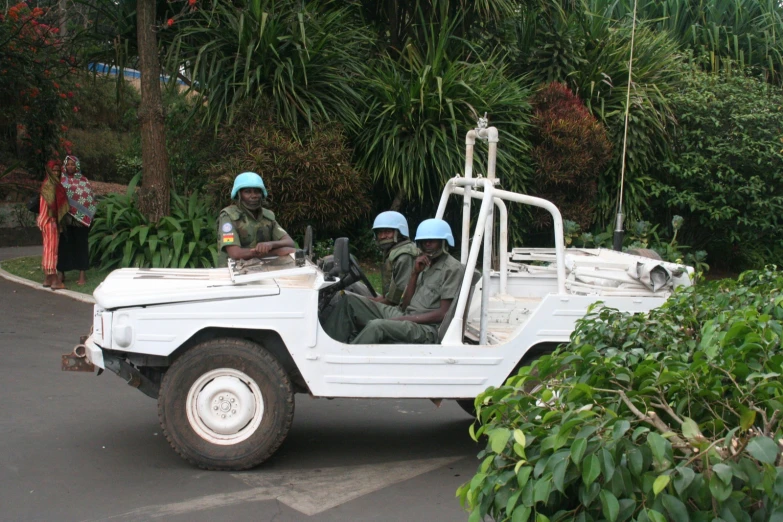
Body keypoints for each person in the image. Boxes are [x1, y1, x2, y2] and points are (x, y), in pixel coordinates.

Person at [322, 218, 464, 344]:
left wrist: (404, 320)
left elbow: (443, 314)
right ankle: (328, 348)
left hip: (427, 328)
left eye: (432, 240)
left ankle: (346, 362)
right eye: (423, 241)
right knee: (349, 301)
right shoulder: (424, 264)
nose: (427, 244)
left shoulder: (452, 268)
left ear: (443, 241)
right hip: (407, 315)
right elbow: (406, 304)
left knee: (377, 326)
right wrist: (414, 274)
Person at [217, 172, 295, 266]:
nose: (254, 196)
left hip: (262, 268)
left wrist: (270, 244)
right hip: (233, 271)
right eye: (247, 192)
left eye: (257, 191)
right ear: (239, 194)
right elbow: (235, 254)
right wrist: (277, 251)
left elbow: (289, 242)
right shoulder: (228, 216)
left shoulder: (267, 215)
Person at [57, 155, 96, 286]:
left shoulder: (84, 180)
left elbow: (89, 198)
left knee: (81, 245)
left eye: (73, 164)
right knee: (63, 246)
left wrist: (85, 214)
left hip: (81, 221)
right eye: (68, 164)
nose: (70, 167)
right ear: (65, 165)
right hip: (65, 219)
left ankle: (82, 275)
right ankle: (61, 274)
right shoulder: (61, 180)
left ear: (77, 166)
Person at [369, 211, 419, 306]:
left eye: (387, 232)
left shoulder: (404, 256)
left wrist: (367, 303)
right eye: (380, 232)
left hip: (402, 308)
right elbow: (388, 296)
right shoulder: (394, 251)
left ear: (399, 232)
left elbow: (395, 300)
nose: (383, 236)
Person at [36, 160, 68, 289]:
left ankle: (47, 279)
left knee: (47, 249)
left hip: (44, 221)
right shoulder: (52, 185)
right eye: (53, 170)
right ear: (49, 171)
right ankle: (55, 281)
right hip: (50, 221)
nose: (56, 172)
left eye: (57, 170)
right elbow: (52, 207)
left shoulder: (47, 183)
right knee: (52, 251)